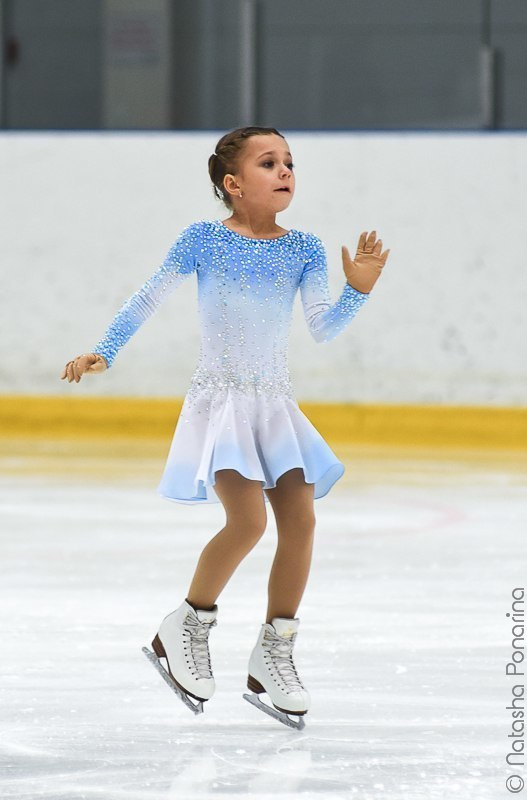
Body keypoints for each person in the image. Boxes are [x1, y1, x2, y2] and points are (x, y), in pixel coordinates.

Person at [60, 125, 390, 729]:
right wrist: (104, 349)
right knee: (247, 520)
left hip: (274, 406)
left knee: (302, 520)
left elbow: (321, 327)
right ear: (233, 185)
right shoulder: (203, 240)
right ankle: (184, 624)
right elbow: (148, 296)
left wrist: (358, 292)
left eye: (290, 161)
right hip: (222, 404)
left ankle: (274, 652)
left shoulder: (305, 249)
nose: (286, 170)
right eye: (270, 163)